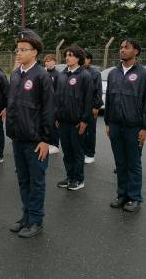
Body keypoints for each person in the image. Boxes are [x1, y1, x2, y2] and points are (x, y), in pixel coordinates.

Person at [6, 29, 55, 238]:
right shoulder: (16, 73)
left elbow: (48, 110)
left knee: (36, 181)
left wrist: (46, 140)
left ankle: (36, 220)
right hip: (18, 137)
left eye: (23, 49)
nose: (18, 53)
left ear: (34, 52)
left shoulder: (41, 75)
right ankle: (26, 216)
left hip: (36, 141)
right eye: (17, 49)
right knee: (23, 180)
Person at [104, 39, 146, 212]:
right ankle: (122, 195)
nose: (122, 50)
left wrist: (145, 127)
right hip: (115, 125)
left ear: (136, 51)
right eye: (121, 47)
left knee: (133, 163)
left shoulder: (145, 74)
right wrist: (108, 122)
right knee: (120, 163)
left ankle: (134, 198)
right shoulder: (113, 73)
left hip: (134, 127)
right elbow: (109, 100)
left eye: (127, 47)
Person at [55, 45, 93, 191]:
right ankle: (70, 176)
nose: (67, 57)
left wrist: (84, 120)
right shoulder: (62, 75)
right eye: (67, 55)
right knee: (67, 151)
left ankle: (78, 179)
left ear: (78, 58)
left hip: (78, 122)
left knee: (77, 151)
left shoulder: (84, 76)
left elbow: (88, 100)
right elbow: (57, 97)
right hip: (63, 120)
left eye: (71, 55)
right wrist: (57, 115)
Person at [83, 50, 104, 164]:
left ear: (89, 59)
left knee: (90, 131)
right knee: (79, 131)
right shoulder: (77, 71)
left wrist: (96, 107)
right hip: (79, 107)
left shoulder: (95, 73)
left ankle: (90, 154)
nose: (83, 59)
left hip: (91, 106)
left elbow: (98, 91)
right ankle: (81, 152)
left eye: (85, 57)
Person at [43, 54, 60, 154]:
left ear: (54, 62)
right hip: (45, 104)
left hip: (54, 104)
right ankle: (48, 142)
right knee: (46, 123)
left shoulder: (57, 75)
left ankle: (55, 144)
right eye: (46, 61)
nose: (47, 63)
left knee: (54, 124)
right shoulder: (43, 73)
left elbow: (58, 91)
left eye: (49, 61)